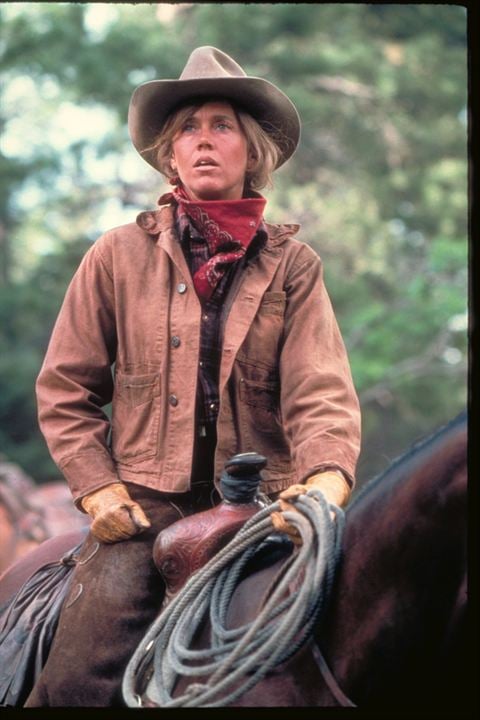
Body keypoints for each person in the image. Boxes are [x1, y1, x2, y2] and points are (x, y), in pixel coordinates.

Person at [25, 46, 361, 706]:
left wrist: (325, 478)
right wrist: (96, 488)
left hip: (270, 511)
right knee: (77, 681)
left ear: (251, 150)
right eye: (188, 129)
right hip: (144, 512)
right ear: (169, 154)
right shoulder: (116, 256)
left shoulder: (295, 267)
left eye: (222, 126)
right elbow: (66, 389)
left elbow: (319, 389)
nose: (204, 141)